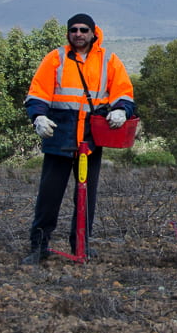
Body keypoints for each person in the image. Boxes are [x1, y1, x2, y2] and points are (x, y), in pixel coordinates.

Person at [21, 14, 136, 264]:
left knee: (86, 196)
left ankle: (81, 245)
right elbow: (37, 92)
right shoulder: (56, 58)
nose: (79, 34)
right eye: (74, 30)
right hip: (59, 135)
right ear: (68, 34)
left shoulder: (109, 60)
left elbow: (124, 93)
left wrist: (121, 110)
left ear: (94, 32)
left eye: (84, 29)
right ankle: (38, 246)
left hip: (91, 139)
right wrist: (37, 117)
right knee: (49, 196)